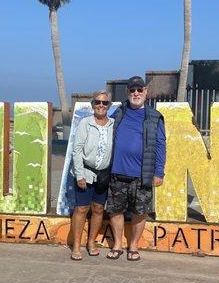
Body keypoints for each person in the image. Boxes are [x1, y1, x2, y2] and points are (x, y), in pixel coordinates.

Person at [106, 76, 166, 261]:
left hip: (142, 174)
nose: (136, 93)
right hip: (117, 173)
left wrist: (159, 172)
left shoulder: (154, 117)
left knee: (140, 212)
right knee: (115, 210)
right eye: (132, 90)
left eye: (139, 90)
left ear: (146, 92)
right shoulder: (119, 112)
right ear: (127, 93)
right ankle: (117, 244)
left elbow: (160, 144)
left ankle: (133, 246)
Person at [70, 90, 115, 261]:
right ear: (92, 105)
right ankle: (76, 245)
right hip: (86, 173)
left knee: (98, 209)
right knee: (81, 209)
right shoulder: (85, 123)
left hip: (103, 176)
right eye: (98, 102)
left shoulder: (113, 124)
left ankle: (91, 242)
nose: (101, 106)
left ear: (109, 106)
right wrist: (80, 175)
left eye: (105, 103)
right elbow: (77, 150)